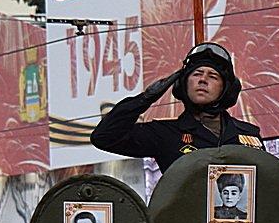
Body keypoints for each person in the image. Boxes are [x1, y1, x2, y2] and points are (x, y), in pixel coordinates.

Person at [88, 41, 263, 169]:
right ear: (183, 84)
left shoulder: (248, 134)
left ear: (226, 90)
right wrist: (145, 99)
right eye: (197, 74)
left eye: (213, 76)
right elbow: (104, 137)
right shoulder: (164, 134)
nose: (203, 79)